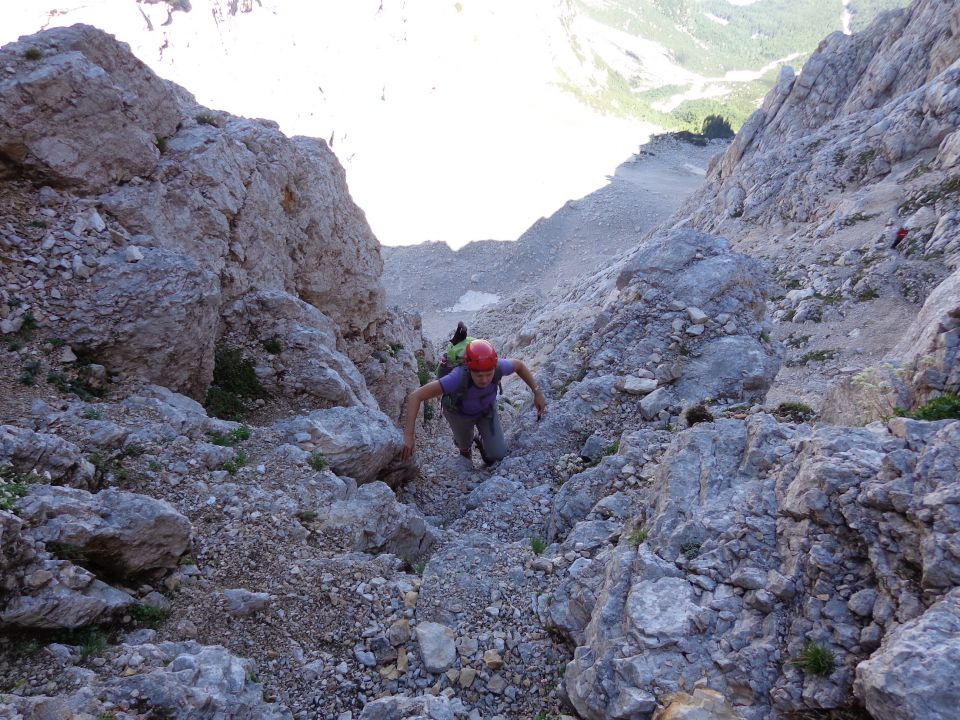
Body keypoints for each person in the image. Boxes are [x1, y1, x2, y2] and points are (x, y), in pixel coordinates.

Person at [401, 339, 546, 466]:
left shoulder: (498, 366)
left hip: (486, 411)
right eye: (478, 375)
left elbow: (519, 365)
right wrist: (409, 436)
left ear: (493, 368)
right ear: (469, 369)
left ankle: (484, 440)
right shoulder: (457, 378)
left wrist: (537, 392)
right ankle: (465, 447)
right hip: (459, 414)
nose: (484, 380)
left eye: (488, 374)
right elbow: (415, 396)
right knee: (464, 448)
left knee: (498, 455)